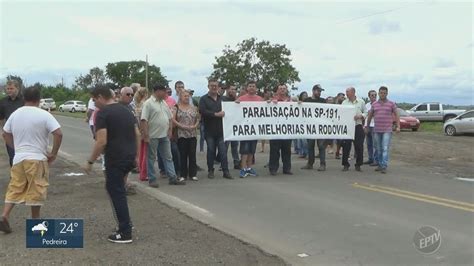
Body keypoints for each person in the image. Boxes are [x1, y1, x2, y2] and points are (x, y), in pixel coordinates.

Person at [0, 86, 62, 234]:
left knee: (15, 186)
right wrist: (53, 153)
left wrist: (16, 147)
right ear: (39, 99)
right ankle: (35, 222)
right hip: (37, 158)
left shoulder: (15, 114)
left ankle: (4, 215)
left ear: (24, 97)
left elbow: (5, 133)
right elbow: (58, 133)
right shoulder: (44, 115)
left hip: (19, 158)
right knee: (37, 188)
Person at [83, 85, 138, 243]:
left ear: (101, 97)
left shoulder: (103, 114)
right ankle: (126, 222)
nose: (94, 104)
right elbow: (137, 133)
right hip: (129, 156)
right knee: (119, 190)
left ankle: (125, 231)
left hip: (115, 158)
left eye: (94, 100)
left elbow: (101, 141)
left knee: (115, 192)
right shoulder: (127, 110)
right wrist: (136, 156)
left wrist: (90, 161)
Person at [141, 84, 186, 187]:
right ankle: (152, 179)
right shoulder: (148, 103)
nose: (166, 94)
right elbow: (144, 120)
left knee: (168, 157)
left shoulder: (164, 103)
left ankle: (172, 177)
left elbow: (170, 117)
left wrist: (170, 130)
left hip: (164, 135)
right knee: (151, 158)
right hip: (152, 135)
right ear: (157, 91)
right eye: (164, 92)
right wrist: (146, 135)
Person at [199, 79, 233, 179]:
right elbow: (203, 111)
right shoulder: (203, 99)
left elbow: (232, 107)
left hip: (222, 131)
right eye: (211, 85)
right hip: (209, 131)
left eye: (215, 85)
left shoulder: (223, 99)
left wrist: (237, 103)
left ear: (218, 87)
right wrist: (215, 114)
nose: (214, 87)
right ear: (208, 86)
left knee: (223, 152)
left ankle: (225, 171)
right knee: (211, 151)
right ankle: (210, 170)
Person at [365, 86, 400, 174]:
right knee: (378, 148)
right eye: (381, 93)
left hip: (387, 130)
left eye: (384, 93)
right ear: (379, 93)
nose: (383, 94)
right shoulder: (374, 104)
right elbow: (369, 116)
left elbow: (397, 115)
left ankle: (384, 165)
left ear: (387, 94)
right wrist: (367, 126)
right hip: (377, 130)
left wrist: (398, 126)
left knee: (385, 148)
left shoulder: (391, 104)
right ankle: (380, 164)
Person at [235, 81, 263, 178]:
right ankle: (243, 168)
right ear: (247, 88)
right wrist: (236, 103)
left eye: (253, 86)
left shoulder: (260, 99)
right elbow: (234, 109)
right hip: (245, 128)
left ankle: (249, 168)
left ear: (256, 88)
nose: (251, 88)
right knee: (244, 149)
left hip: (255, 128)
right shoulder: (241, 98)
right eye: (250, 86)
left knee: (252, 150)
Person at [172, 90, 199, 181]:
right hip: (181, 134)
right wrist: (181, 126)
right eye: (185, 96)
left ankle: (193, 174)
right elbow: (173, 119)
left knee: (192, 154)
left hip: (192, 134)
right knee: (182, 155)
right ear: (180, 97)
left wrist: (195, 126)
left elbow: (198, 118)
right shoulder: (176, 107)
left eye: (188, 96)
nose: (187, 98)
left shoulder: (194, 108)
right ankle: (183, 174)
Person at [301, 84, 328, 171]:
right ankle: (310, 163)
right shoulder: (307, 100)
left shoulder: (323, 101)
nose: (319, 93)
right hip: (310, 127)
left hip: (320, 127)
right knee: (310, 146)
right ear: (313, 91)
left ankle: (322, 164)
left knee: (321, 146)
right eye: (318, 91)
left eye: (320, 91)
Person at [268, 84, 293, 176]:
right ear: (277, 90)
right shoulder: (273, 100)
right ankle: (273, 168)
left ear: (286, 90)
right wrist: (270, 103)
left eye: (284, 88)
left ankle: (287, 168)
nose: (282, 90)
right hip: (275, 129)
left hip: (287, 129)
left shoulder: (291, 101)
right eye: (280, 88)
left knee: (287, 150)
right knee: (274, 150)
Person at [341, 87, 367, 172]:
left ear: (353, 92)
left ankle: (358, 164)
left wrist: (361, 116)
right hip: (348, 127)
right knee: (346, 146)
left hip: (357, 126)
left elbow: (366, 112)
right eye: (346, 92)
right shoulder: (344, 103)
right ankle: (345, 164)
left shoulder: (361, 102)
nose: (346, 93)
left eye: (348, 92)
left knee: (359, 146)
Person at [118, 87, 138, 195]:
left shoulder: (130, 107)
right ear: (121, 95)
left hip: (130, 140)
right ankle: (121, 186)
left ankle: (124, 184)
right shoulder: (117, 107)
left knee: (128, 165)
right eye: (127, 94)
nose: (130, 96)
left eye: (132, 94)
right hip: (121, 141)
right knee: (122, 166)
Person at [0, 80, 24, 167]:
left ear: (17, 88)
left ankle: (24, 177)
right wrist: (3, 130)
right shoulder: (3, 101)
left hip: (23, 133)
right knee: (12, 156)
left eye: (11, 88)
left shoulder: (24, 101)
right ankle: (15, 177)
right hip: (10, 134)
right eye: (8, 88)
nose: (9, 90)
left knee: (23, 156)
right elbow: (1, 118)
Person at [222, 85, 240, 170]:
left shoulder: (237, 100)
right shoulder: (222, 99)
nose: (233, 91)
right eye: (231, 89)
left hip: (235, 126)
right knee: (224, 147)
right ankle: (223, 164)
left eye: (234, 89)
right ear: (227, 90)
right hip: (226, 126)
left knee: (235, 146)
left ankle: (236, 162)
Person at [134, 87, 150, 181]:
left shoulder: (137, 104)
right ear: (146, 94)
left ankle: (141, 171)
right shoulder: (145, 104)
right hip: (145, 130)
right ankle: (144, 173)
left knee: (141, 152)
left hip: (139, 130)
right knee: (146, 153)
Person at [364, 90, 379, 166]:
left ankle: (376, 160)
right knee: (369, 143)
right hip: (367, 125)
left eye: (375, 95)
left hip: (375, 125)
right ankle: (370, 158)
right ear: (369, 96)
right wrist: (365, 126)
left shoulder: (378, 104)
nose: (374, 96)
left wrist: (371, 113)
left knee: (375, 144)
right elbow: (366, 115)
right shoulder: (366, 105)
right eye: (372, 95)